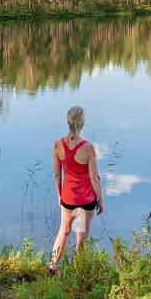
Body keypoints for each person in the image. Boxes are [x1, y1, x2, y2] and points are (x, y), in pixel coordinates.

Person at [49, 106, 103, 274]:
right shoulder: (88, 148)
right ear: (83, 123)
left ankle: (52, 266)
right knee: (82, 237)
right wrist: (100, 200)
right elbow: (95, 179)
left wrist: (59, 195)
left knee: (63, 231)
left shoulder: (58, 145)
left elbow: (57, 175)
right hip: (86, 201)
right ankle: (78, 273)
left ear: (68, 121)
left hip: (68, 199)